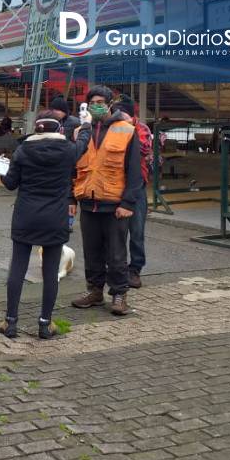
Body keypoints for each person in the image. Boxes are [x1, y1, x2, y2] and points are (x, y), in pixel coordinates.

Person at [0, 111, 91, 339]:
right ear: (58, 131)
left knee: (18, 269)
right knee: (50, 272)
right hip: (54, 217)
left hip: (25, 216)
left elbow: (11, 184)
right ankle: (45, 323)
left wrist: (1, 169)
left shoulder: (22, 151)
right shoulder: (68, 150)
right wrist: (87, 125)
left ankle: (10, 322)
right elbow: (82, 144)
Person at [70, 87, 142, 316]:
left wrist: (128, 203)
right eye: (92, 102)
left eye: (101, 101)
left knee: (116, 253)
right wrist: (69, 197)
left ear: (111, 104)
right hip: (88, 201)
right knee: (91, 252)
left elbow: (134, 172)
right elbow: (71, 167)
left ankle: (119, 293)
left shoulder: (127, 130)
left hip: (115, 204)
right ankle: (94, 291)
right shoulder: (81, 132)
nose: (96, 105)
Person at [112, 94, 153, 288]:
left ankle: (135, 269)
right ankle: (116, 269)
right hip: (114, 185)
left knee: (137, 231)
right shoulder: (111, 127)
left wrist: (130, 129)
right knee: (115, 232)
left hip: (136, 187)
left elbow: (145, 149)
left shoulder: (141, 128)